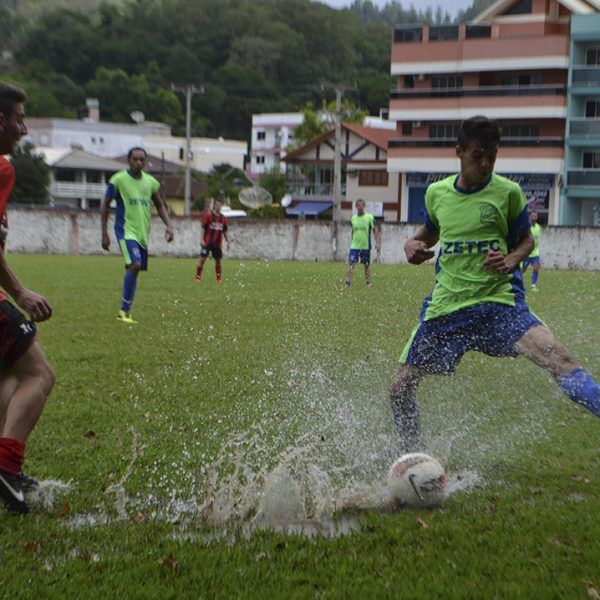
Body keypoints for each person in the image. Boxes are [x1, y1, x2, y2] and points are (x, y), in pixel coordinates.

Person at [389, 116, 600, 453]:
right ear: (459, 152)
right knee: (400, 388)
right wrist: (411, 244)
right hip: (447, 308)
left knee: (560, 359)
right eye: (477, 155)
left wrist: (512, 259)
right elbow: (430, 231)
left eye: (492, 156)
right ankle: (412, 457)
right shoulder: (437, 193)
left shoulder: (508, 193)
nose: (485, 163)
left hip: (498, 304)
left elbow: (526, 241)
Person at [0, 82, 55, 514]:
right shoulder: (1, 169)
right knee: (39, 374)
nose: (24, 127)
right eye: (19, 118)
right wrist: (19, 291)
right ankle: (6, 467)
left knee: (8, 378)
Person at [101, 147, 174, 323]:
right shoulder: (118, 180)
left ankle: (126, 311)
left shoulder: (150, 182)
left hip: (142, 234)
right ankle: (123, 311)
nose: (139, 163)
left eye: (142, 160)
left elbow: (160, 205)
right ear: (128, 160)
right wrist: (104, 233)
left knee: (134, 270)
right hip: (125, 232)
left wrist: (169, 225)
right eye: (135, 159)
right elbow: (105, 205)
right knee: (135, 264)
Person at [345, 198, 380, 288]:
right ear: (356, 206)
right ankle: (347, 282)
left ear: (364, 206)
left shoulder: (369, 217)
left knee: (366, 265)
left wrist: (377, 242)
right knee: (351, 264)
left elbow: (375, 229)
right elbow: (353, 230)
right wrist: (352, 240)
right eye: (358, 205)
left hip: (365, 246)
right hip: (355, 246)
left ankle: (368, 282)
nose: (360, 207)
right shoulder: (353, 218)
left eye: (362, 205)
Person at [195, 198, 229, 284]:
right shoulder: (209, 215)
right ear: (214, 205)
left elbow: (225, 231)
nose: (218, 206)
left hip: (217, 244)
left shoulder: (223, 218)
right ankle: (198, 277)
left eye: (220, 205)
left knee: (218, 262)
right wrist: (202, 239)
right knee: (202, 260)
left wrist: (228, 241)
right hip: (207, 242)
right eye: (217, 205)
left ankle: (219, 278)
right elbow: (203, 228)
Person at [521, 210, 541, 292]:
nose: (533, 217)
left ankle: (533, 286)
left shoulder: (538, 227)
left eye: (535, 216)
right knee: (523, 269)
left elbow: (536, 240)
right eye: (532, 216)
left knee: (536, 267)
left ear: (537, 217)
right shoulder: (526, 226)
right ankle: (517, 283)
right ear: (530, 216)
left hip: (535, 252)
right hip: (526, 252)